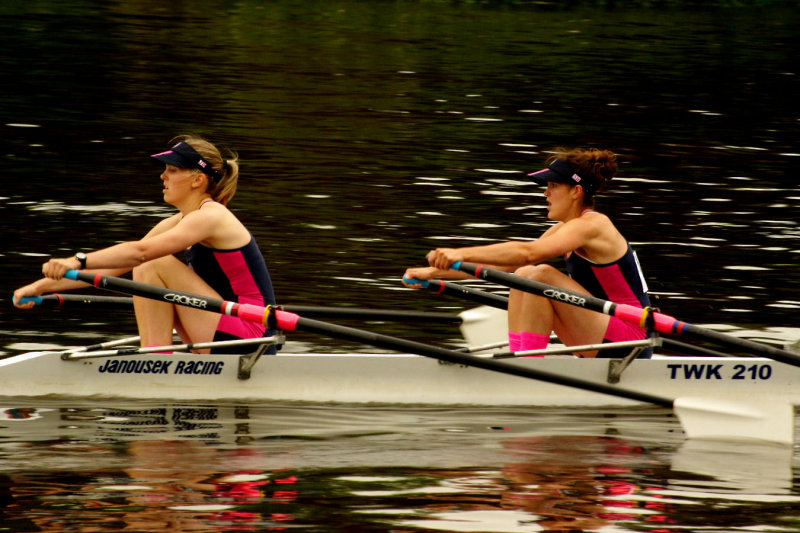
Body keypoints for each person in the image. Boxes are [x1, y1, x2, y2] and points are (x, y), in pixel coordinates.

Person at [13, 135, 277, 354]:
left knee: (153, 262)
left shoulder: (213, 216)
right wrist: (41, 286)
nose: (163, 176)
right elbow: (114, 269)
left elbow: (141, 253)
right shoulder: (181, 221)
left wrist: (77, 260)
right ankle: (156, 356)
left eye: (172, 170)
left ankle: (156, 358)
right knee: (148, 264)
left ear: (197, 180)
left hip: (252, 335)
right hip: (222, 326)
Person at [403, 147, 651, 358]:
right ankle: (521, 356)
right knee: (523, 274)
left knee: (539, 273)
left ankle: (529, 362)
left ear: (576, 192)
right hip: (601, 329)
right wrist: (433, 273)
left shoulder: (593, 225)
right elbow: (508, 267)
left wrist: (460, 254)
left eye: (553, 186)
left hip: (631, 337)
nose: (546, 193)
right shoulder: (566, 229)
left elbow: (528, 252)